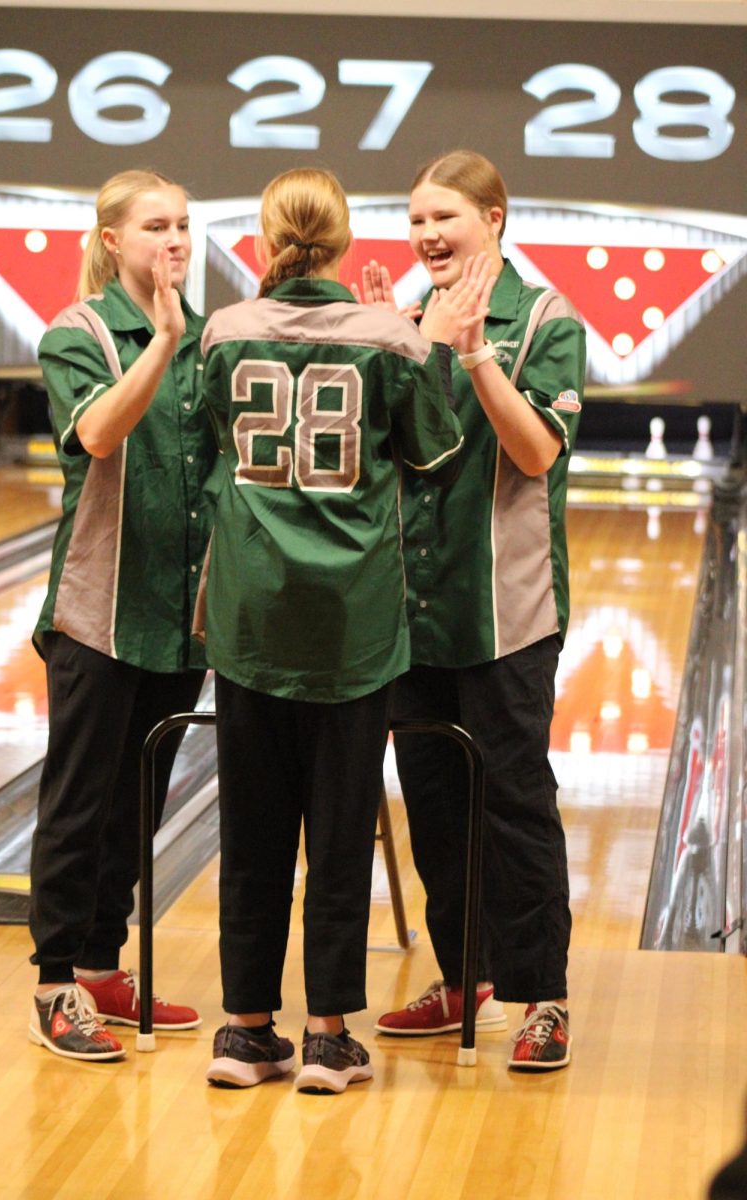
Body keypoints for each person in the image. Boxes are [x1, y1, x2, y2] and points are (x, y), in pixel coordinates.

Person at [198, 166, 488, 1094]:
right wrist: (433, 347)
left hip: (249, 620)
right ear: (346, 242)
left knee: (250, 833)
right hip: (356, 629)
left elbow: (208, 444)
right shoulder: (386, 337)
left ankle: (245, 1032)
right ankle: (327, 1036)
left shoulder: (225, 333)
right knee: (336, 830)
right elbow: (437, 450)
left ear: (264, 240)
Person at [362, 150, 585, 1070]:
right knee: (436, 805)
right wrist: (382, 341)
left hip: (507, 609)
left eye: (442, 218)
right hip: (413, 612)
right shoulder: (409, 317)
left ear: (494, 217)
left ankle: (544, 1000)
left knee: (516, 804)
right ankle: (465, 982)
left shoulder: (544, 321)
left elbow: (534, 453)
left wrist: (471, 353)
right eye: (414, 220)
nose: (425, 235)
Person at [27, 169, 217, 1061]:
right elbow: (100, 434)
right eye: (156, 226)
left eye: (183, 225)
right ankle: (57, 981)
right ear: (114, 241)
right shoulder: (80, 333)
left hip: (181, 613)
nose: (175, 240)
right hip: (98, 608)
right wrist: (166, 341)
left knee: (136, 805)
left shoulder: (214, 336)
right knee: (79, 800)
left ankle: (104, 964)